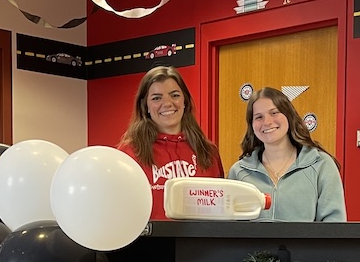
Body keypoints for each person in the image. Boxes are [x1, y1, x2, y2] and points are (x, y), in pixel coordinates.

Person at [118, 66, 223, 220]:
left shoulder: (207, 151)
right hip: (148, 243)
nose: (167, 103)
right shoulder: (129, 153)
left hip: (199, 243)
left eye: (174, 95)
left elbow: (221, 208)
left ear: (185, 101)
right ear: (145, 106)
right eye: (156, 98)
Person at [227, 88, 346, 222]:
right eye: (259, 117)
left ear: (288, 115)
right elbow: (229, 229)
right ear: (252, 125)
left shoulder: (322, 165)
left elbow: (334, 226)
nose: (267, 122)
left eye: (274, 113)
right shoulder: (238, 172)